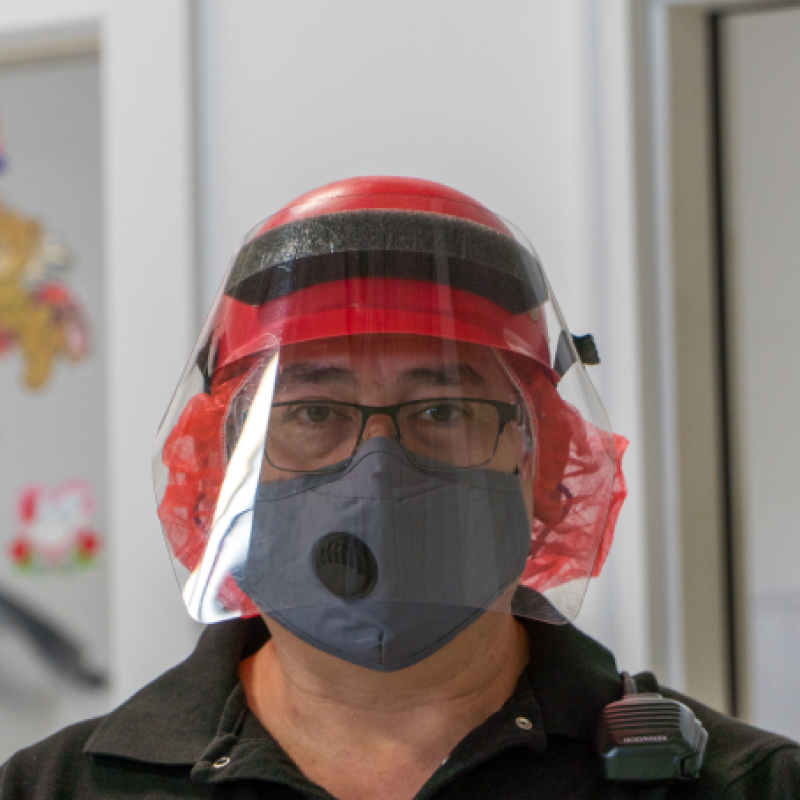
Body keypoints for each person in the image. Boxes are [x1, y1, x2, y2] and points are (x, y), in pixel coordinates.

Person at [1, 177, 798, 799]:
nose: (376, 472)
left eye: (443, 408)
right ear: (219, 467)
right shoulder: (55, 789)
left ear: (544, 461)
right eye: (312, 411)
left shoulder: (744, 786)